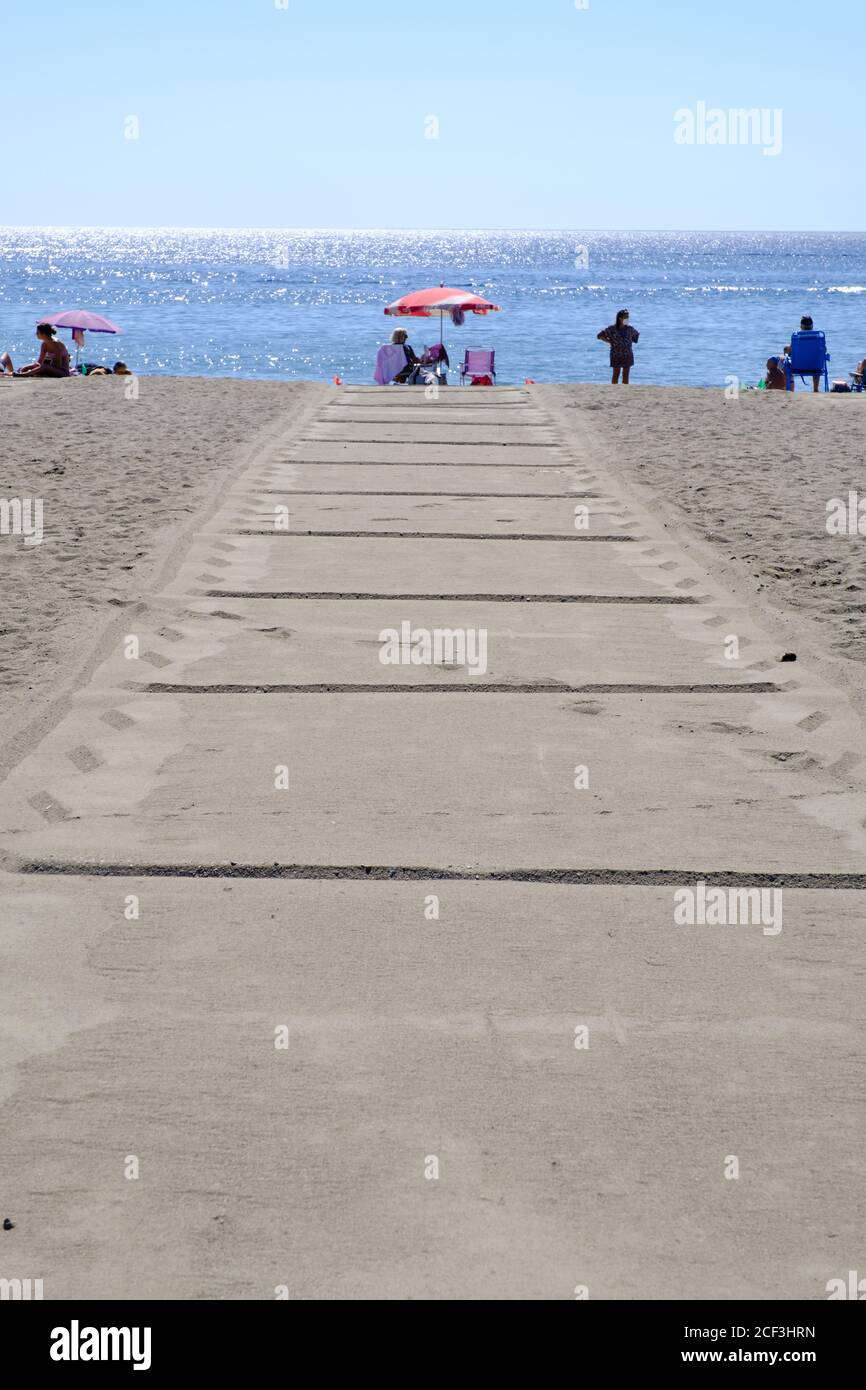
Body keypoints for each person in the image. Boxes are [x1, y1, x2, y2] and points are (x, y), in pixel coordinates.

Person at [1, 323, 70, 378]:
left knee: (44, 367)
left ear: (44, 334)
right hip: (52, 369)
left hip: (62, 372)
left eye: (37, 332)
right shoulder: (44, 345)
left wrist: (43, 369)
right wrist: (27, 367)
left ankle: (22, 375)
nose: (36, 334)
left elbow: (58, 365)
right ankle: (20, 373)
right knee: (23, 369)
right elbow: (39, 362)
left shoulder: (56, 344)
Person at [597, 309, 639, 384]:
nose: (627, 319)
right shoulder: (612, 329)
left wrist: (627, 341)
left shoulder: (630, 329)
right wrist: (609, 341)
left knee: (626, 374)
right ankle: (614, 389)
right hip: (616, 353)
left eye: (628, 317)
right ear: (620, 318)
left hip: (627, 354)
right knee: (616, 373)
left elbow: (635, 337)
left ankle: (625, 391)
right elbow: (599, 336)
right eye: (626, 317)